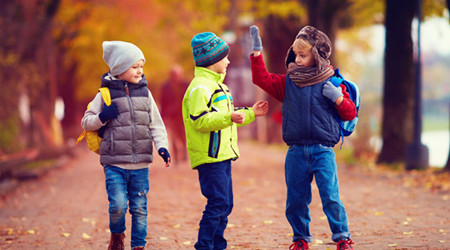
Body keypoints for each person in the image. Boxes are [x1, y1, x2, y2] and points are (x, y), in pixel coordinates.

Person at [249, 25, 357, 250]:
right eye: (295, 54)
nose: (297, 60)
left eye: (302, 55)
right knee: (296, 200)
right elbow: (262, 79)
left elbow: (349, 113)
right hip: (296, 151)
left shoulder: (333, 83)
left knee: (331, 197)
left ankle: (342, 237)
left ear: (317, 55)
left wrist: (337, 98)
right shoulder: (288, 83)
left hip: (323, 151)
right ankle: (300, 239)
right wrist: (257, 53)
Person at [81, 41, 171, 250]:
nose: (140, 71)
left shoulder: (145, 94)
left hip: (140, 163)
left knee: (140, 208)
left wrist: (162, 147)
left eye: (141, 66)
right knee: (118, 207)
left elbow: (155, 124)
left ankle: (138, 246)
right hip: (115, 163)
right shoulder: (104, 95)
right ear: (120, 69)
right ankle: (117, 236)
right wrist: (102, 117)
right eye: (135, 66)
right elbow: (86, 122)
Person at [183, 32, 269, 250]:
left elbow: (230, 117)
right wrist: (228, 117)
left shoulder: (219, 86)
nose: (228, 61)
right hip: (209, 157)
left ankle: (217, 245)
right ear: (212, 60)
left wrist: (251, 113)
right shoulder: (200, 87)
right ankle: (204, 246)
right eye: (225, 57)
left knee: (226, 204)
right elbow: (200, 121)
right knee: (218, 202)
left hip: (223, 155)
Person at [160, 65, 189, 163]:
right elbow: (163, 102)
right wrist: (163, 117)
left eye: (177, 74)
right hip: (172, 115)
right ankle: (176, 158)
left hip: (183, 114)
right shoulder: (166, 87)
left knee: (184, 135)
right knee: (174, 137)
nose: (175, 76)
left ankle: (185, 153)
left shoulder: (186, 85)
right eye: (173, 74)